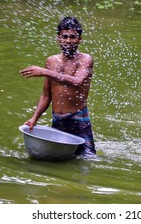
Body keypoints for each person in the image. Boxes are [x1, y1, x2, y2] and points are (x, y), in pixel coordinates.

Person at [20, 17, 96, 157]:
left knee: (89, 159)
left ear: (80, 39)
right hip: (58, 120)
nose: (68, 41)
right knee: (58, 157)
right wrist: (35, 118)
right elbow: (46, 95)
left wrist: (44, 72)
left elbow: (77, 81)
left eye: (72, 37)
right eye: (64, 36)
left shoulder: (85, 59)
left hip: (78, 119)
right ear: (58, 38)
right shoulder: (51, 61)